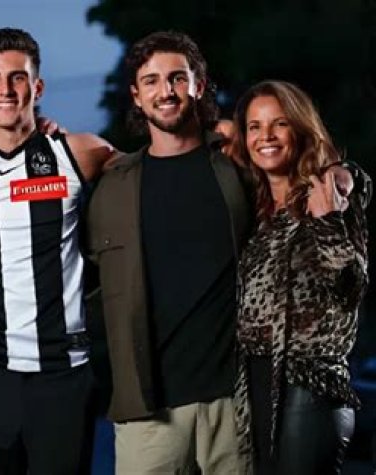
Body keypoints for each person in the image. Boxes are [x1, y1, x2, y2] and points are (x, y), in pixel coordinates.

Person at [0, 27, 117, 474]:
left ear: (37, 87)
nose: (5, 89)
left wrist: (217, 134)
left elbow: (159, 169)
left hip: (64, 374)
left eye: (17, 77)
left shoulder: (80, 152)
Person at [86, 31, 254, 474]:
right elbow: (73, 274)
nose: (166, 91)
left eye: (178, 78)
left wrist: (343, 174)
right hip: (148, 412)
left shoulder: (236, 167)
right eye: (152, 81)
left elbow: (303, 166)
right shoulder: (112, 186)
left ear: (199, 85)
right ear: (136, 96)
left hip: (234, 403)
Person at [231, 80, 368, 475]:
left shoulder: (329, 191)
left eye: (280, 124)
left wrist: (328, 222)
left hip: (309, 385)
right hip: (255, 383)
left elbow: (349, 289)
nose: (266, 136)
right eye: (255, 126)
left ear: (300, 128)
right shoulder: (256, 209)